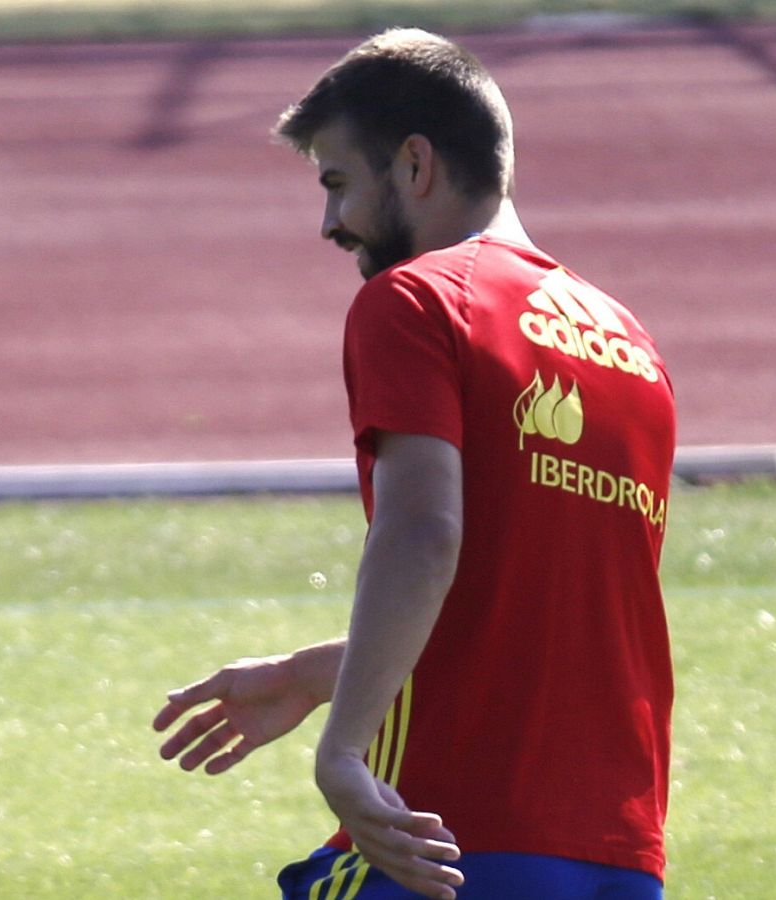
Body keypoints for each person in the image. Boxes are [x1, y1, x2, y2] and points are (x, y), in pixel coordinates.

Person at [153, 29, 675, 900]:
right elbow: (524, 615)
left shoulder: (417, 298)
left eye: (337, 183)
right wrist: (313, 675)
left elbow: (424, 532)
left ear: (415, 164)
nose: (330, 223)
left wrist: (343, 750)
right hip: (618, 854)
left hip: (443, 838)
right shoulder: (628, 344)